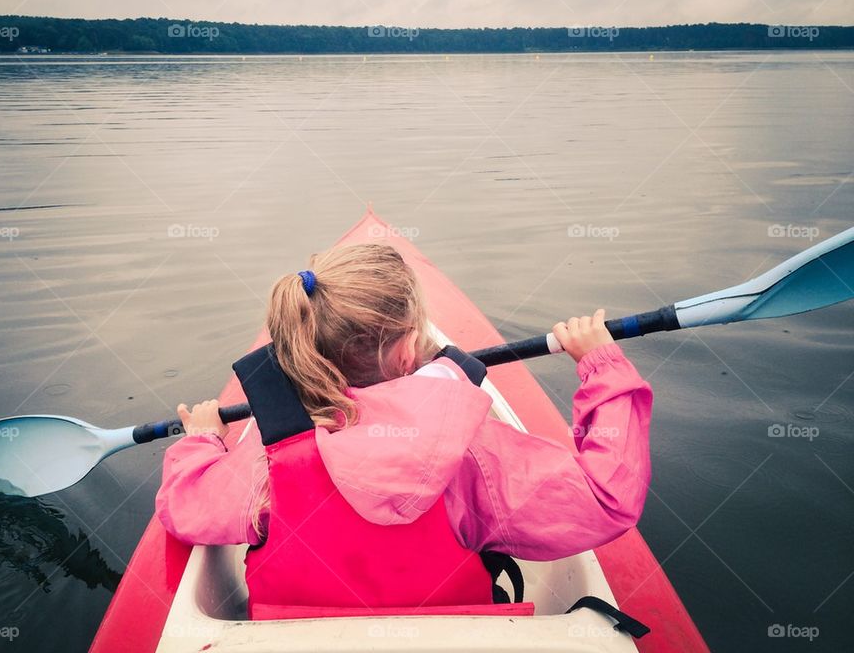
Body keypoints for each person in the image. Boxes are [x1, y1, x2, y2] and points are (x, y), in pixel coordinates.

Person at [156, 243, 652, 616]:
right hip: (460, 638)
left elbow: (183, 509)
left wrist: (201, 440)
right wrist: (601, 366)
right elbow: (608, 498)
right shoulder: (474, 449)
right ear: (407, 351)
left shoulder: (269, 453)